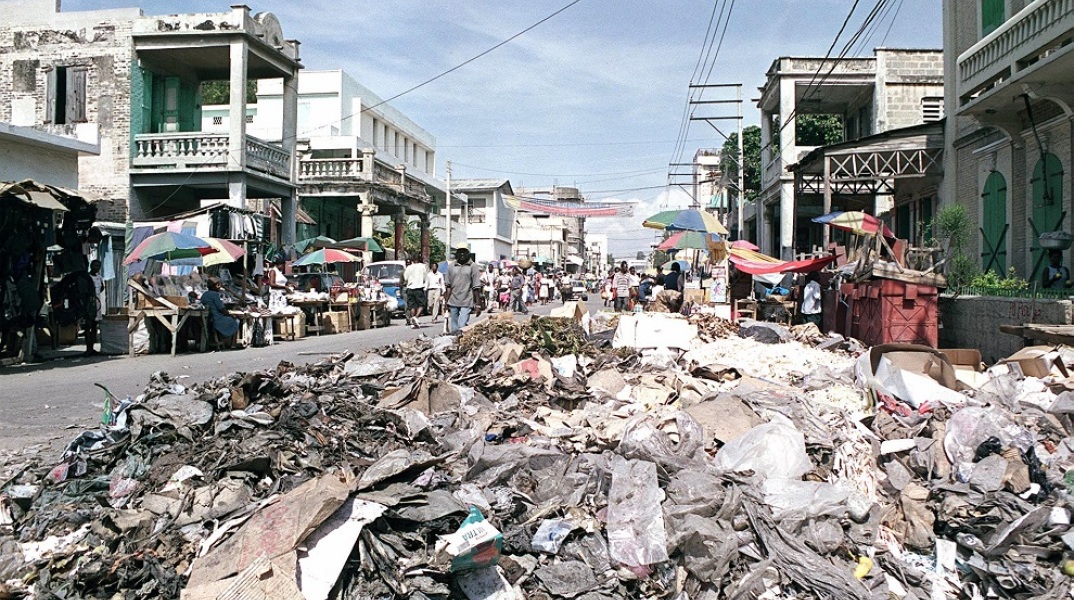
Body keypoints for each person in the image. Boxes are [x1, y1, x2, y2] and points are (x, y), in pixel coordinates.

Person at [445, 245, 484, 333]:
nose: (462, 254)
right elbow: (448, 286)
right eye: (460, 252)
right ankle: (455, 344)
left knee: (462, 326)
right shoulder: (451, 266)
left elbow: (476, 287)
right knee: (454, 328)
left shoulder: (473, 266)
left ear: (468, 253)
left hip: (466, 300)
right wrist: (445, 302)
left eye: (464, 252)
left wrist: (478, 304)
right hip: (453, 301)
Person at [201, 277, 239, 345]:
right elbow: (222, 309)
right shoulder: (215, 295)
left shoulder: (205, 294)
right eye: (219, 285)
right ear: (216, 286)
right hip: (217, 319)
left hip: (210, 318)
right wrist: (231, 315)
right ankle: (231, 343)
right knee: (236, 321)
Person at [402, 257, 428, 328]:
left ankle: (413, 322)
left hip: (410, 288)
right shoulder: (422, 266)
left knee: (412, 306)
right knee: (422, 304)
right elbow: (426, 276)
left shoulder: (409, 267)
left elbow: (405, 278)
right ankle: (416, 317)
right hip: (419, 287)